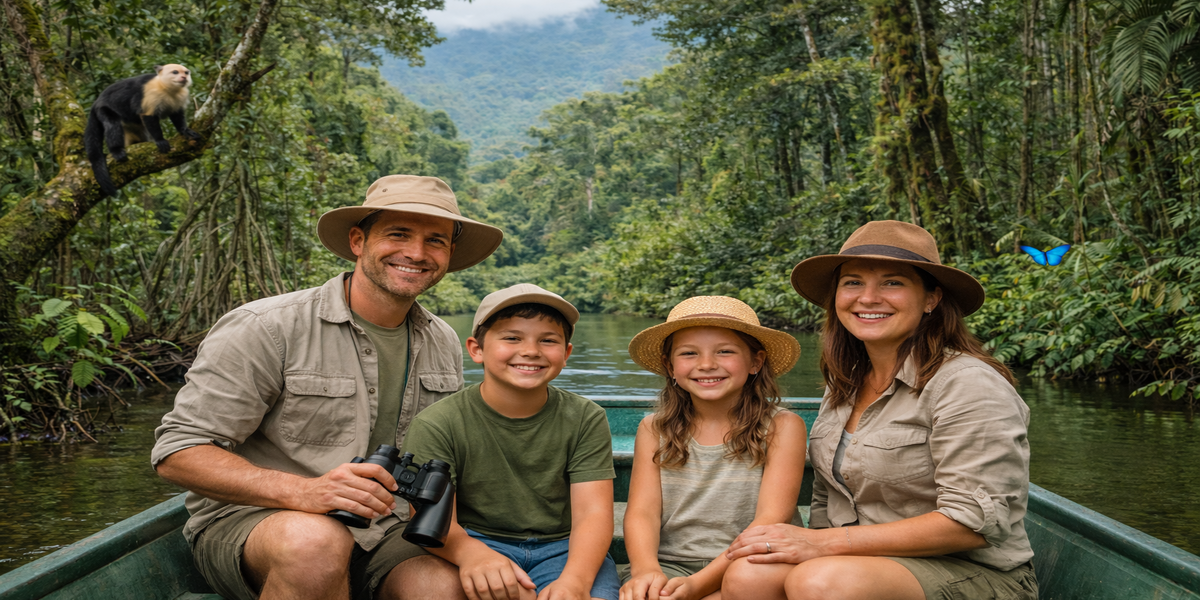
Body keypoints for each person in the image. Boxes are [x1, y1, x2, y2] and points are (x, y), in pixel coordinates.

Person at [151, 175, 504, 600]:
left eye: (436, 241)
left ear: (449, 254)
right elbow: (178, 454)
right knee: (315, 544)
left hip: (388, 525)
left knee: (446, 588)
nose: (416, 253)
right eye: (398, 234)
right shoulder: (267, 326)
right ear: (358, 241)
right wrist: (307, 492)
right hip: (262, 522)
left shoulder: (442, 339)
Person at [722, 220, 1038, 600]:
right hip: (857, 563)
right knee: (750, 575)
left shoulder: (968, 383)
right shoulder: (846, 383)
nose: (868, 298)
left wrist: (820, 545)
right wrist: (812, 544)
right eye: (853, 282)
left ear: (931, 299)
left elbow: (972, 522)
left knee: (820, 581)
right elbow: (827, 499)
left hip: (973, 572)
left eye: (892, 283)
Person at [400, 283, 620, 600]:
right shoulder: (438, 423)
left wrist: (574, 582)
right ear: (476, 349)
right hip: (475, 540)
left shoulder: (586, 417)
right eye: (512, 338)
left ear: (566, 354)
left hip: (564, 548)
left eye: (548, 340)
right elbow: (430, 519)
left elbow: (593, 515)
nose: (531, 351)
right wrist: (472, 554)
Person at [620, 296, 808, 600]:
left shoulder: (782, 426)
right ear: (670, 366)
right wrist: (646, 571)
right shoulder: (654, 428)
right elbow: (643, 512)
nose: (706, 364)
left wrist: (698, 586)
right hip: (670, 564)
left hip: (752, 563)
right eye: (689, 353)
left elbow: (770, 519)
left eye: (725, 351)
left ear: (756, 362)